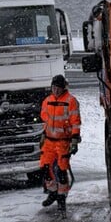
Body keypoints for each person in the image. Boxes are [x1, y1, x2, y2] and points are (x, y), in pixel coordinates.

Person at [39, 74, 81, 212]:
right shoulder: (47, 101)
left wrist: (74, 140)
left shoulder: (71, 101)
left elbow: (75, 122)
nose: (55, 90)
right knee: (45, 168)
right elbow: (46, 120)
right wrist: (44, 135)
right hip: (49, 141)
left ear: (63, 88)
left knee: (61, 170)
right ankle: (52, 192)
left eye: (58, 88)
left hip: (63, 141)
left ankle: (61, 198)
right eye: (54, 87)